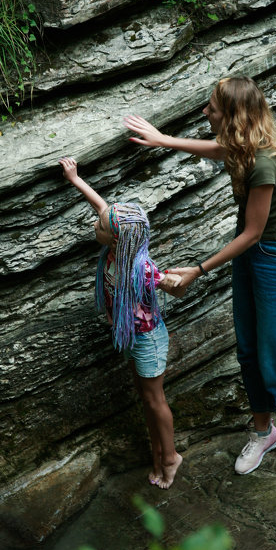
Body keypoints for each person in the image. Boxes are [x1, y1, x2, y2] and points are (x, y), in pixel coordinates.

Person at [123, 75, 276, 479]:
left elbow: (252, 233)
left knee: (273, 355)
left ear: (230, 115)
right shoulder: (243, 145)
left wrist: (197, 271)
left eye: (211, 107)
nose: (204, 112)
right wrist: (164, 141)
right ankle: (264, 432)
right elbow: (220, 150)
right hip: (254, 253)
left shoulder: (264, 162)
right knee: (248, 350)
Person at [58, 156, 185, 489]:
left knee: (155, 399)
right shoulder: (118, 249)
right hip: (128, 335)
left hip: (147, 339)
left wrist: (176, 279)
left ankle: (170, 457)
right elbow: (103, 208)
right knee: (145, 396)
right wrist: (75, 178)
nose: (95, 227)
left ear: (115, 239)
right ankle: (157, 450)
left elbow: (169, 283)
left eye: (100, 228)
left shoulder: (140, 269)